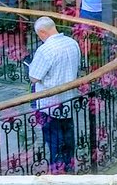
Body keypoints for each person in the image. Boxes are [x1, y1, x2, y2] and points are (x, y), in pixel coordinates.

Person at [28, 16, 81, 172]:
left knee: (54, 139)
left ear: (42, 32)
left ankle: (57, 170)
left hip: (49, 103)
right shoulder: (73, 43)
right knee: (68, 135)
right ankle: (69, 165)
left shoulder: (46, 50)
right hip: (68, 99)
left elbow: (34, 77)